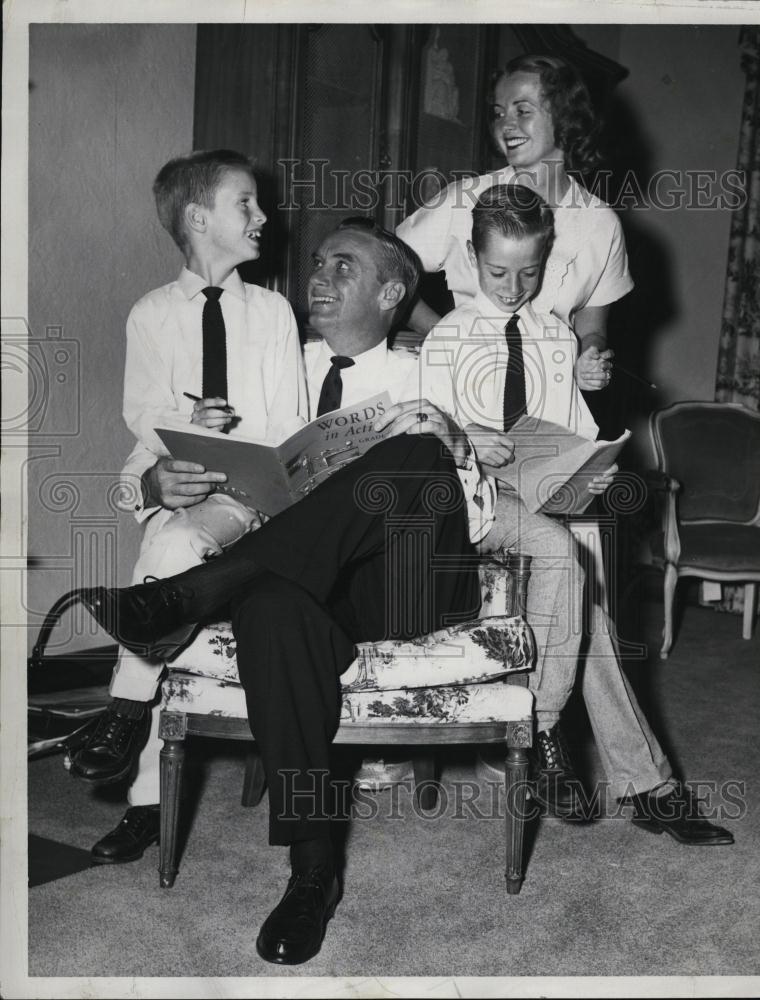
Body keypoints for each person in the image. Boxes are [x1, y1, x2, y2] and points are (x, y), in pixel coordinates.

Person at [65, 220, 486, 965]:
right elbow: (174, 449)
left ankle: (189, 596)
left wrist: (450, 445)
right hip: (303, 582)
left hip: (412, 584)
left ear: (391, 292)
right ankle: (313, 869)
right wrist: (157, 480)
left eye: (342, 267)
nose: (317, 278)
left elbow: (482, 518)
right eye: (317, 263)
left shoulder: (437, 368)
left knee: (413, 450)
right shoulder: (277, 363)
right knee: (269, 607)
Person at [387, 184, 734, 841]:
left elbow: (569, 439)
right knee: (580, 594)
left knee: (589, 609)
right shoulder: (446, 337)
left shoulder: (555, 338)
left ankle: (598, 768)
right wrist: (464, 437)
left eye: (528, 272)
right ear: (469, 257)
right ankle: (619, 773)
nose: (513, 286)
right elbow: (418, 447)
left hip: (547, 504)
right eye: (496, 272)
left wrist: (589, 464)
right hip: (473, 510)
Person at [68, 149, 308, 863]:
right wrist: (162, 471)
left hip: (252, 500)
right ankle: (143, 787)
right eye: (247, 203)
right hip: (181, 494)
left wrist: (239, 455)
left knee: (164, 560)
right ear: (199, 218)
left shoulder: (271, 313)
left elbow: (290, 425)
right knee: (167, 548)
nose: (264, 216)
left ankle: (124, 712)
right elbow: (140, 419)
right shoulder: (151, 314)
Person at [396, 53, 624, 393]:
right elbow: (388, 266)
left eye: (523, 111)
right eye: (499, 113)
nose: (506, 125)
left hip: (550, 394)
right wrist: (444, 335)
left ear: (565, 117)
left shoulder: (601, 223)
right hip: (464, 387)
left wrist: (591, 357)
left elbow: (592, 325)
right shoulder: (464, 199)